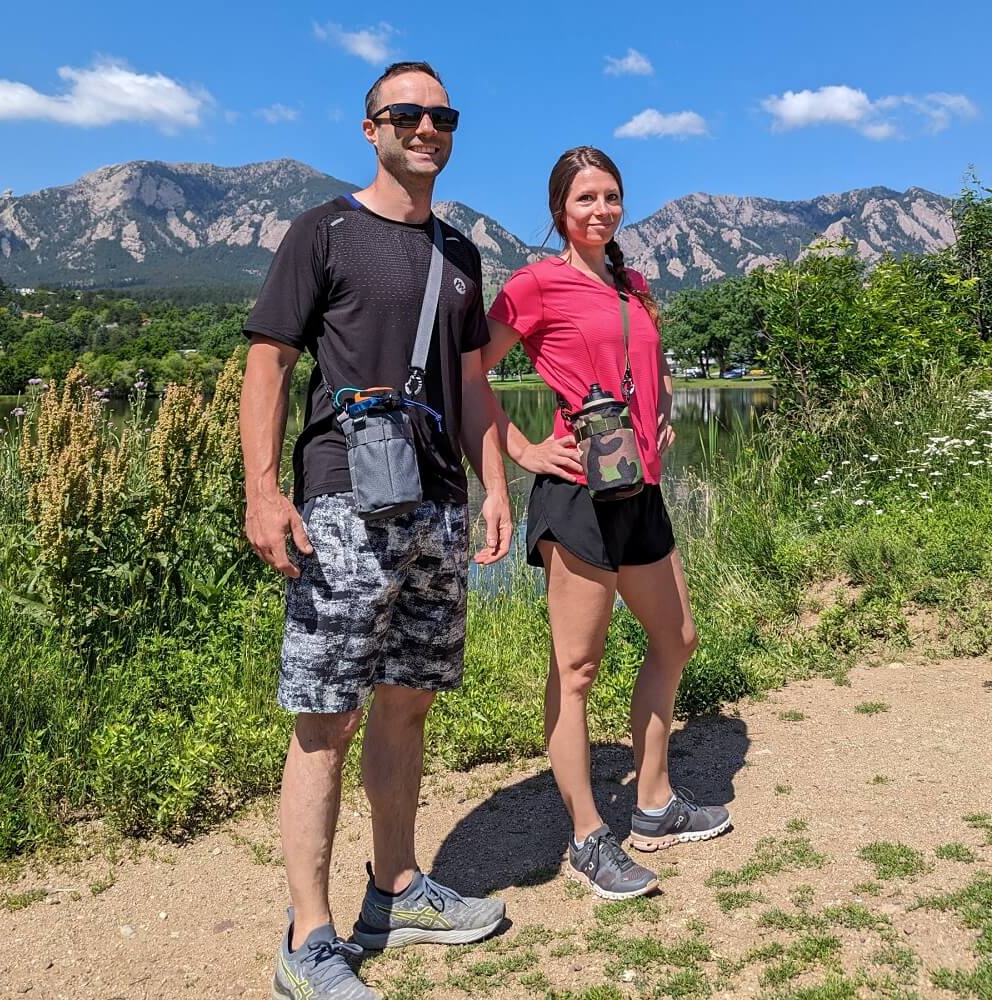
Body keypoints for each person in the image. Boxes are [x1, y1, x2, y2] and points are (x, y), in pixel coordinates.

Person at [240, 61, 512, 1000]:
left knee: (406, 703)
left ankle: (395, 889)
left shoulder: (463, 254)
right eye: (407, 113)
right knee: (327, 721)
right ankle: (308, 939)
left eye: (442, 115)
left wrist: (495, 487)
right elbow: (270, 362)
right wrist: (263, 490)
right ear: (372, 128)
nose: (426, 127)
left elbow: (474, 387)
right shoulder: (324, 231)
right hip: (343, 507)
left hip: (437, 507)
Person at [482, 146, 731, 901]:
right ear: (560, 207)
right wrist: (524, 447)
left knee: (677, 637)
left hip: (641, 490)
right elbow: (468, 373)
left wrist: (659, 426)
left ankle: (652, 804)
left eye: (611, 196)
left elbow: (641, 372)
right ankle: (589, 835)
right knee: (577, 670)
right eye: (585, 198)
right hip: (578, 499)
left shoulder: (635, 284)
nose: (600, 210)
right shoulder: (534, 284)